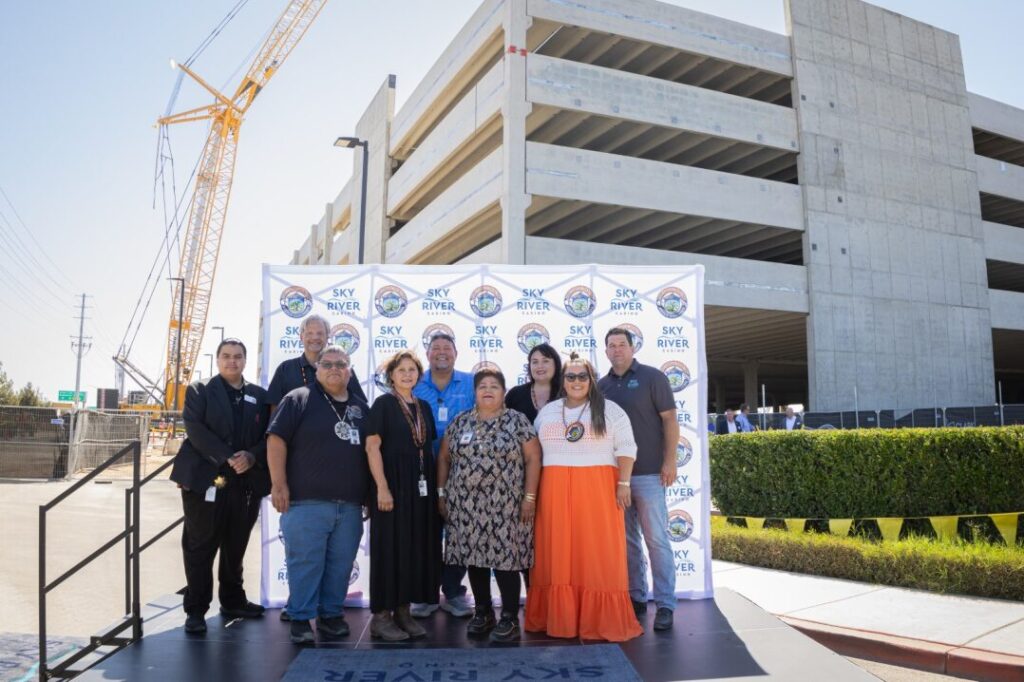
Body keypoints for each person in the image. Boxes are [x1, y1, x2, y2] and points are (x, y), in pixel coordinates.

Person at [525, 354, 642, 642]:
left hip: (598, 490)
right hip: (554, 491)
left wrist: (624, 483)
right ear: (562, 381)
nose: (576, 381)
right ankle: (559, 619)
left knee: (598, 555)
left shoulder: (610, 410)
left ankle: (600, 620)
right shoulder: (548, 412)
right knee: (558, 555)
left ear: (591, 380)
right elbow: (533, 453)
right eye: (570, 376)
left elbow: (627, 448)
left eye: (582, 376)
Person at [267, 345, 370, 644]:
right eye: (327, 364)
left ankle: (331, 615)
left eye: (341, 364)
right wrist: (278, 484)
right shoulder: (298, 398)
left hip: (349, 506)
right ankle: (300, 618)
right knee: (305, 563)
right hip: (306, 502)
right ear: (317, 369)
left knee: (341, 565)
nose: (334, 369)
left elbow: (371, 453)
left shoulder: (361, 408)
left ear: (350, 371)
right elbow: (276, 441)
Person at [170, 338, 270, 635]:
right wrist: (228, 457)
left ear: (245, 360)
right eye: (226, 356)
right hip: (206, 479)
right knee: (200, 545)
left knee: (236, 545)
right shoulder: (199, 390)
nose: (232, 361)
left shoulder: (259, 396)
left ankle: (233, 601)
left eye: (238, 356)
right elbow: (195, 429)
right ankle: (196, 609)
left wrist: (252, 456)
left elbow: (270, 434)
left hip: (246, 481)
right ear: (218, 360)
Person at [437, 369, 541, 641]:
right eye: (482, 386)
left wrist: (529, 498)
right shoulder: (460, 421)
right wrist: (441, 494)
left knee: (507, 561)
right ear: (474, 392)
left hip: (507, 505)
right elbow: (444, 458)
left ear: (503, 392)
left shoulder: (517, 421)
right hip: (465, 506)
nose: (488, 390)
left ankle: (509, 617)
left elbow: (533, 458)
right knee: (474, 559)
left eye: (494, 386)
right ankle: (483, 612)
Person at [598, 327, 678, 632]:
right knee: (628, 541)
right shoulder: (601, 386)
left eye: (622, 344)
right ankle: (636, 597)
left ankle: (666, 604)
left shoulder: (652, 377)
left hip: (649, 473)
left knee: (656, 539)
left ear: (632, 348)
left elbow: (670, 420)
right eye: (611, 345)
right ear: (606, 351)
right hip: (616, 477)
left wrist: (670, 460)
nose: (617, 349)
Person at [366, 350, 442, 641]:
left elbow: (425, 447)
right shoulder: (383, 404)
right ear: (391, 376)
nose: (407, 375)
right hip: (392, 487)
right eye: (401, 370)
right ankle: (381, 617)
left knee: (412, 549)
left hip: (420, 488)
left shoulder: (423, 406)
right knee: (389, 550)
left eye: (412, 370)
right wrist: (382, 488)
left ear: (419, 375)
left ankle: (403, 611)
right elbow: (372, 447)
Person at [410, 333, 475, 618]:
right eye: (435, 348)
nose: (441, 352)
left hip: (463, 471)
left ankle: (453, 592)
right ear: (427, 354)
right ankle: (424, 594)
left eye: (447, 348)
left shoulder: (472, 382)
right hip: (421, 471)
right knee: (425, 534)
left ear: (456, 353)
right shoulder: (413, 381)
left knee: (459, 534)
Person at [267, 314, 366, 408]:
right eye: (309, 333)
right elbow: (275, 409)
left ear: (327, 337)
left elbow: (360, 407)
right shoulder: (285, 369)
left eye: (320, 333)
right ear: (301, 337)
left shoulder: (343, 368)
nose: (315, 337)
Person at [504, 343, 562, 422]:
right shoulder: (515, 394)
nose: (540, 366)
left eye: (545, 361)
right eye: (535, 362)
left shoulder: (565, 394)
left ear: (556, 364)